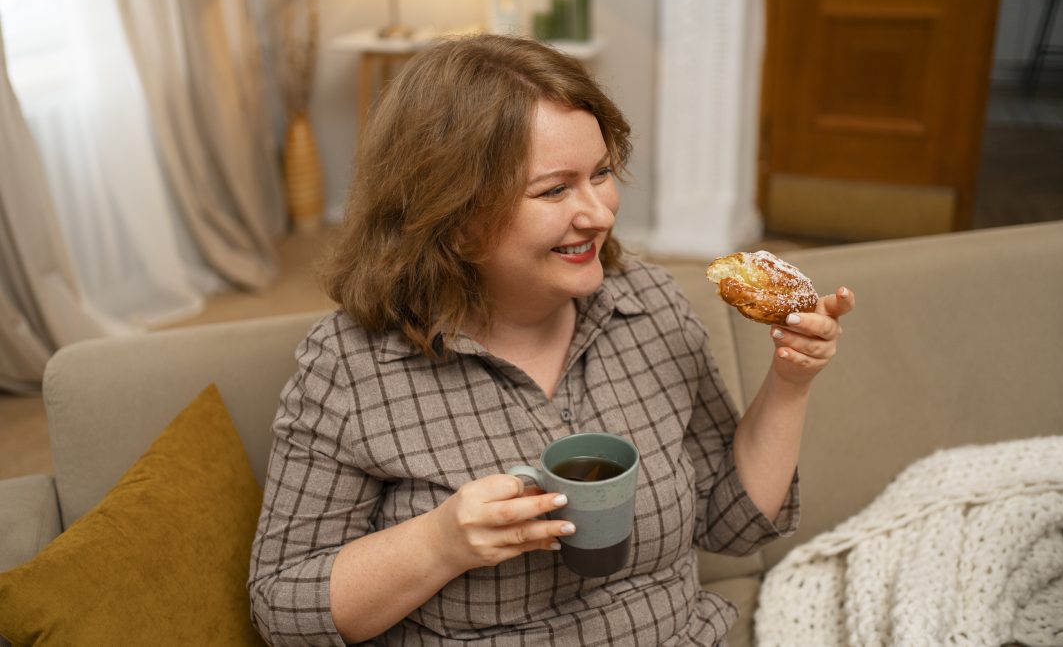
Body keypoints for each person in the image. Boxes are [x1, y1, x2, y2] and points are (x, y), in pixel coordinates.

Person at [248, 33, 854, 646]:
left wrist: (791, 382)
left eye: (601, 174)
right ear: (453, 218)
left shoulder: (648, 304)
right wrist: (439, 544)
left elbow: (731, 523)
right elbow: (283, 611)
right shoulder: (351, 366)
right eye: (554, 190)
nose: (599, 212)